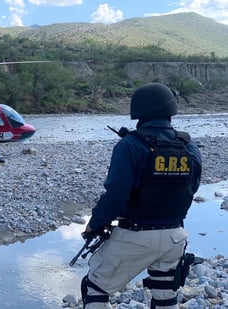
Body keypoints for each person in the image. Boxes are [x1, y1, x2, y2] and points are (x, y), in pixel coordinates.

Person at [81, 83, 202, 309]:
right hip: (175, 237)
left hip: (135, 235)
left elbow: (116, 196)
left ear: (138, 110)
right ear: (170, 109)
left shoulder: (129, 145)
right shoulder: (188, 144)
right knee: (165, 295)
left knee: (95, 288)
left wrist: (95, 224)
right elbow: (192, 187)